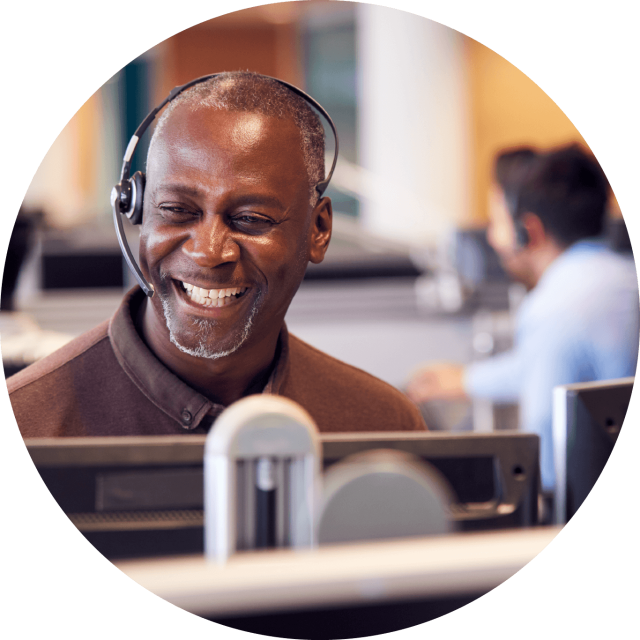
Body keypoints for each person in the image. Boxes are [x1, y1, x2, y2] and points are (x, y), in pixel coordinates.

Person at [7, 72, 426, 437]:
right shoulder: (30, 422)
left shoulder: (383, 425)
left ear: (318, 230)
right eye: (176, 211)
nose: (208, 252)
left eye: (250, 218)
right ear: (135, 208)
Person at [406, 144, 638, 493]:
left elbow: (547, 450)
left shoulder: (551, 306)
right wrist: (468, 381)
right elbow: (559, 366)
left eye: (499, 222)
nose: (494, 239)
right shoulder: (623, 277)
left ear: (529, 231)